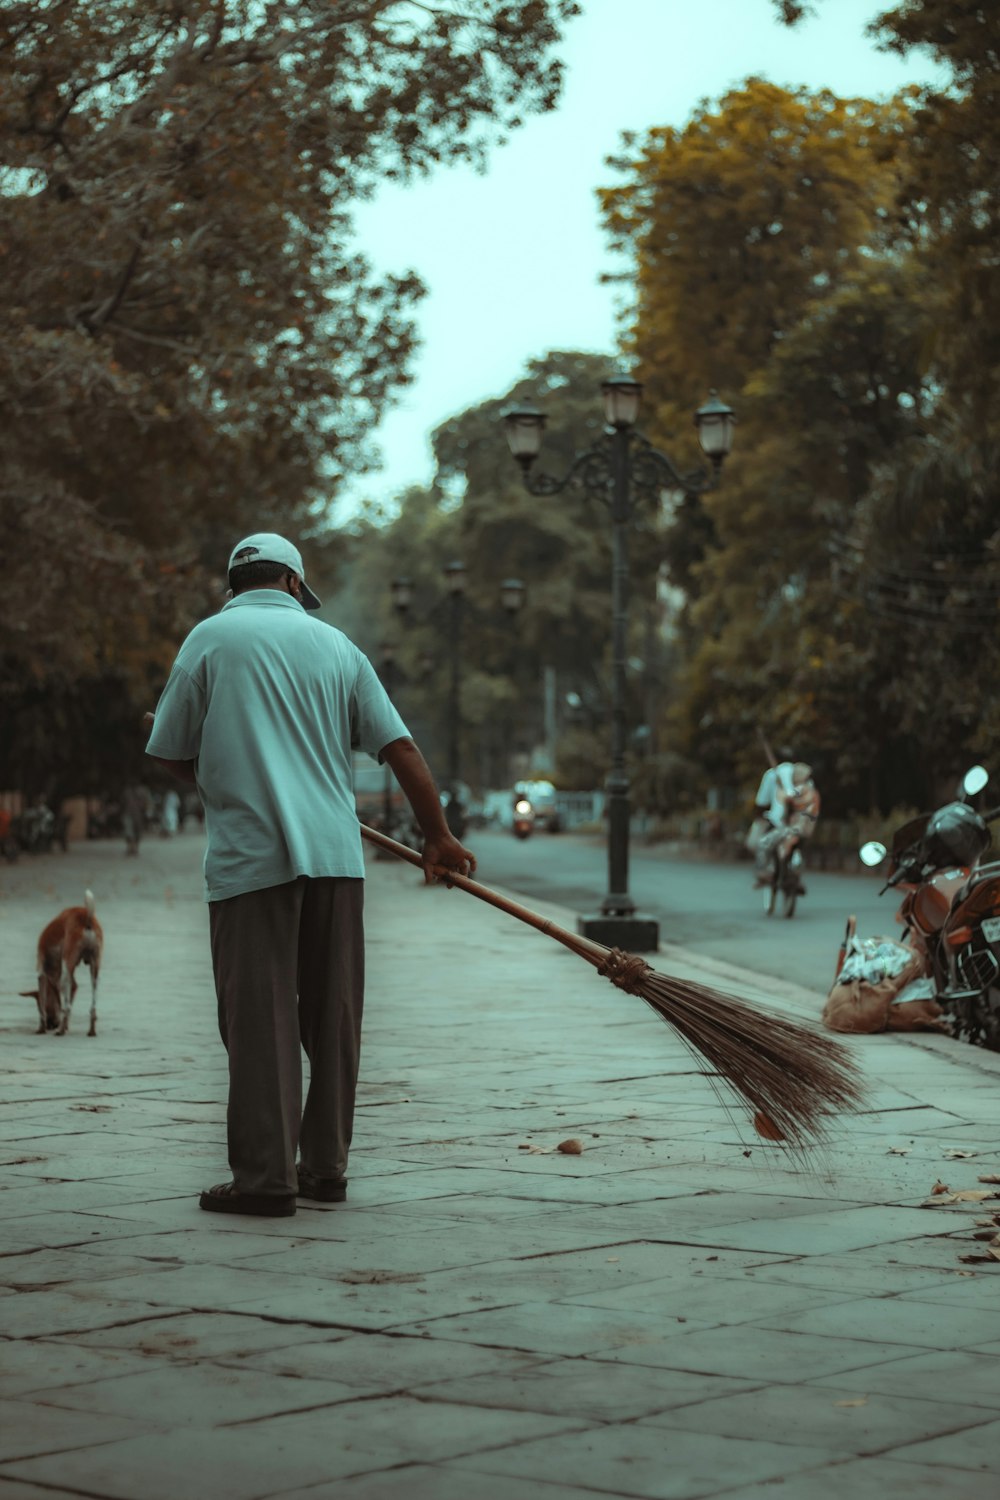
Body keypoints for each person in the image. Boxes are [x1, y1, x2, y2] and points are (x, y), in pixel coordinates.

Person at [145, 532, 475, 1219]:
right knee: (334, 1019)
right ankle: (325, 1169)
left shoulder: (207, 640)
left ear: (235, 584)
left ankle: (266, 1180)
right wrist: (438, 836)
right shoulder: (336, 648)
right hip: (335, 860)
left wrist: (223, 771)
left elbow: (172, 753)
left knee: (259, 1022)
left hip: (250, 864)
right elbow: (400, 746)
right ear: (294, 584)